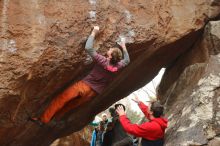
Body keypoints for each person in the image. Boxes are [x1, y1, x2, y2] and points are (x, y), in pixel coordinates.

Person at [30, 26, 130, 125]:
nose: (109, 49)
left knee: (61, 100)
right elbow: (127, 60)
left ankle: (43, 120)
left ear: (110, 56)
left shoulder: (102, 61)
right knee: (69, 106)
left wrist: (94, 32)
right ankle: (55, 119)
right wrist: (123, 46)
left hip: (83, 86)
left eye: (110, 50)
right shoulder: (118, 66)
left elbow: (88, 48)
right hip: (92, 93)